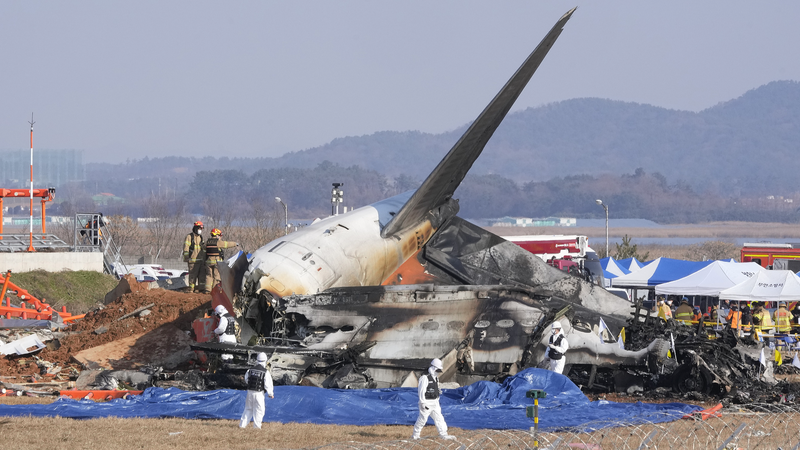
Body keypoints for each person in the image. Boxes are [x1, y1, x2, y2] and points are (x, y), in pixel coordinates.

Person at [411, 358, 455, 441]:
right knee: (422, 419)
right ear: (433, 368)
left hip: (435, 402)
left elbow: (435, 387)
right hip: (427, 402)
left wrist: (437, 391)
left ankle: (443, 434)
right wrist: (423, 402)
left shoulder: (436, 378)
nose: (437, 372)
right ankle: (415, 435)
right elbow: (421, 391)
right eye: (437, 370)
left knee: (439, 418)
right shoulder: (425, 377)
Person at [239, 352, 274, 429]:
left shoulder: (250, 370)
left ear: (257, 360)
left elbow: (246, 380)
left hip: (250, 392)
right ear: (265, 361)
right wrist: (270, 393)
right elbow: (268, 384)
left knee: (248, 409)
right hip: (259, 393)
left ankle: (242, 425)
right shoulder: (265, 372)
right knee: (259, 410)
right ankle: (257, 427)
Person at [204, 228, 239, 294]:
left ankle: (207, 290)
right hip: (216, 262)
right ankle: (214, 290)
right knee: (216, 276)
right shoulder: (218, 242)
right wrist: (235, 244)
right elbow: (227, 244)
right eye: (219, 235)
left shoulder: (207, 242)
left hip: (208, 262)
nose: (220, 237)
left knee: (209, 275)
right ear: (216, 235)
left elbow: (203, 249)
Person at [182, 221, 205, 293]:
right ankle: (191, 290)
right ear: (195, 228)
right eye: (199, 229)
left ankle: (201, 290)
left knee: (202, 276)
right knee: (192, 276)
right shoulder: (189, 237)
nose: (200, 230)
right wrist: (186, 257)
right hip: (192, 261)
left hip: (201, 260)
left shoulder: (201, 237)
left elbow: (203, 248)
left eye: (201, 229)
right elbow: (186, 247)